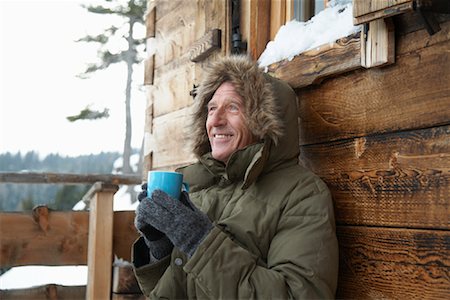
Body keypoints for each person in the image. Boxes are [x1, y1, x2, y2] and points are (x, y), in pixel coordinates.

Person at [132, 55, 339, 299]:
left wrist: (199, 240)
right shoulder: (197, 185)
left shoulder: (302, 194)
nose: (216, 120)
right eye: (211, 108)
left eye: (233, 107)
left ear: (264, 121)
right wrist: (160, 246)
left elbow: (298, 295)